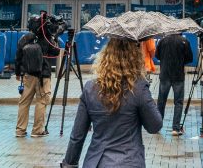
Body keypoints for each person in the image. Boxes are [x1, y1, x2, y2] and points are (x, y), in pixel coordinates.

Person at [61, 37, 163, 168]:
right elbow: (154, 126)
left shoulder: (90, 88)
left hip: (96, 162)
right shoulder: (139, 88)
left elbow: (77, 135)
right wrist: (147, 96)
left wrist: (69, 163)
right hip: (129, 162)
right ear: (135, 58)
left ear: (106, 56)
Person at [16, 17, 60, 137]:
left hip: (28, 75)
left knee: (24, 103)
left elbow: (18, 56)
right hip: (43, 75)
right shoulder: (46, 39)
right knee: (42, 101)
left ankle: (20, 130)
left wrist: (18, 73)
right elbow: (56, 51)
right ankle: (37, 130)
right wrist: (55, 37)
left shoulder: (24, 39)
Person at [153, 31, 193, 136]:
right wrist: (180, 60)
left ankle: (157, 127)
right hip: (178, 75)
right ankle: (176, 128)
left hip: (165, 74)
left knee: (161, 102)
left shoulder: (162, 41)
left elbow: (157, 56)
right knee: (178, 102)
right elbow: (190, 58)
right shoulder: (184, 41)